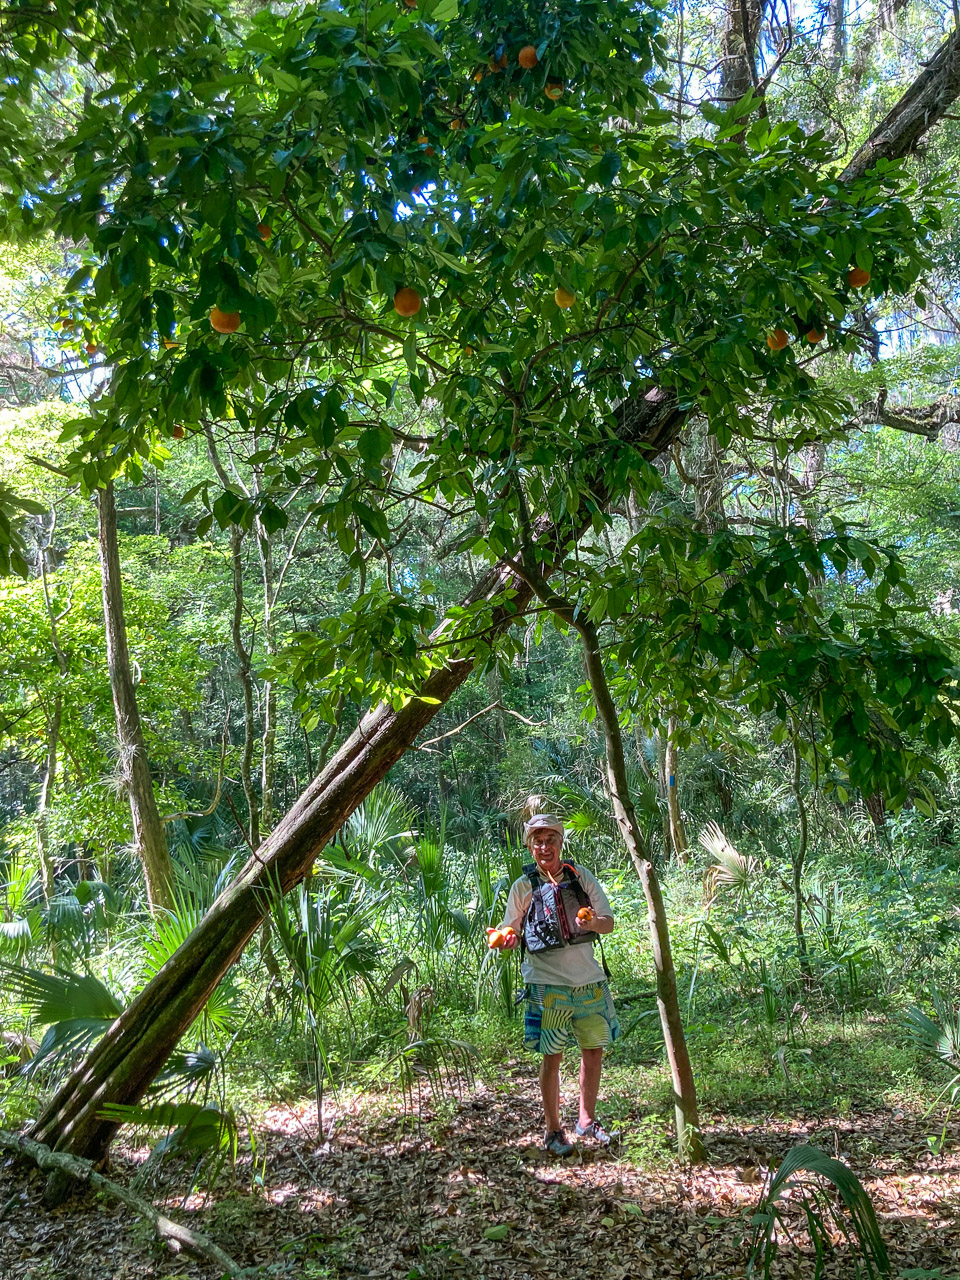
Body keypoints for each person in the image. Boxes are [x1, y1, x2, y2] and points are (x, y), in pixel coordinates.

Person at [498, 811, 619, 1156]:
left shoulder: (581, 878)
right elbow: (512, 929)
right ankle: (553, 1130)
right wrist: (506, 939)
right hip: (546, 984)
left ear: (560, 842)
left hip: (588, 981)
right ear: (529, 846)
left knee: (593, 1051)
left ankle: (586, 1120)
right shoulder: (523, 886)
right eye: (537, 840)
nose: (544, 846)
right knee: (551, 1056)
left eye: (550, 838)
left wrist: (593, 921)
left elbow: (609, 923)